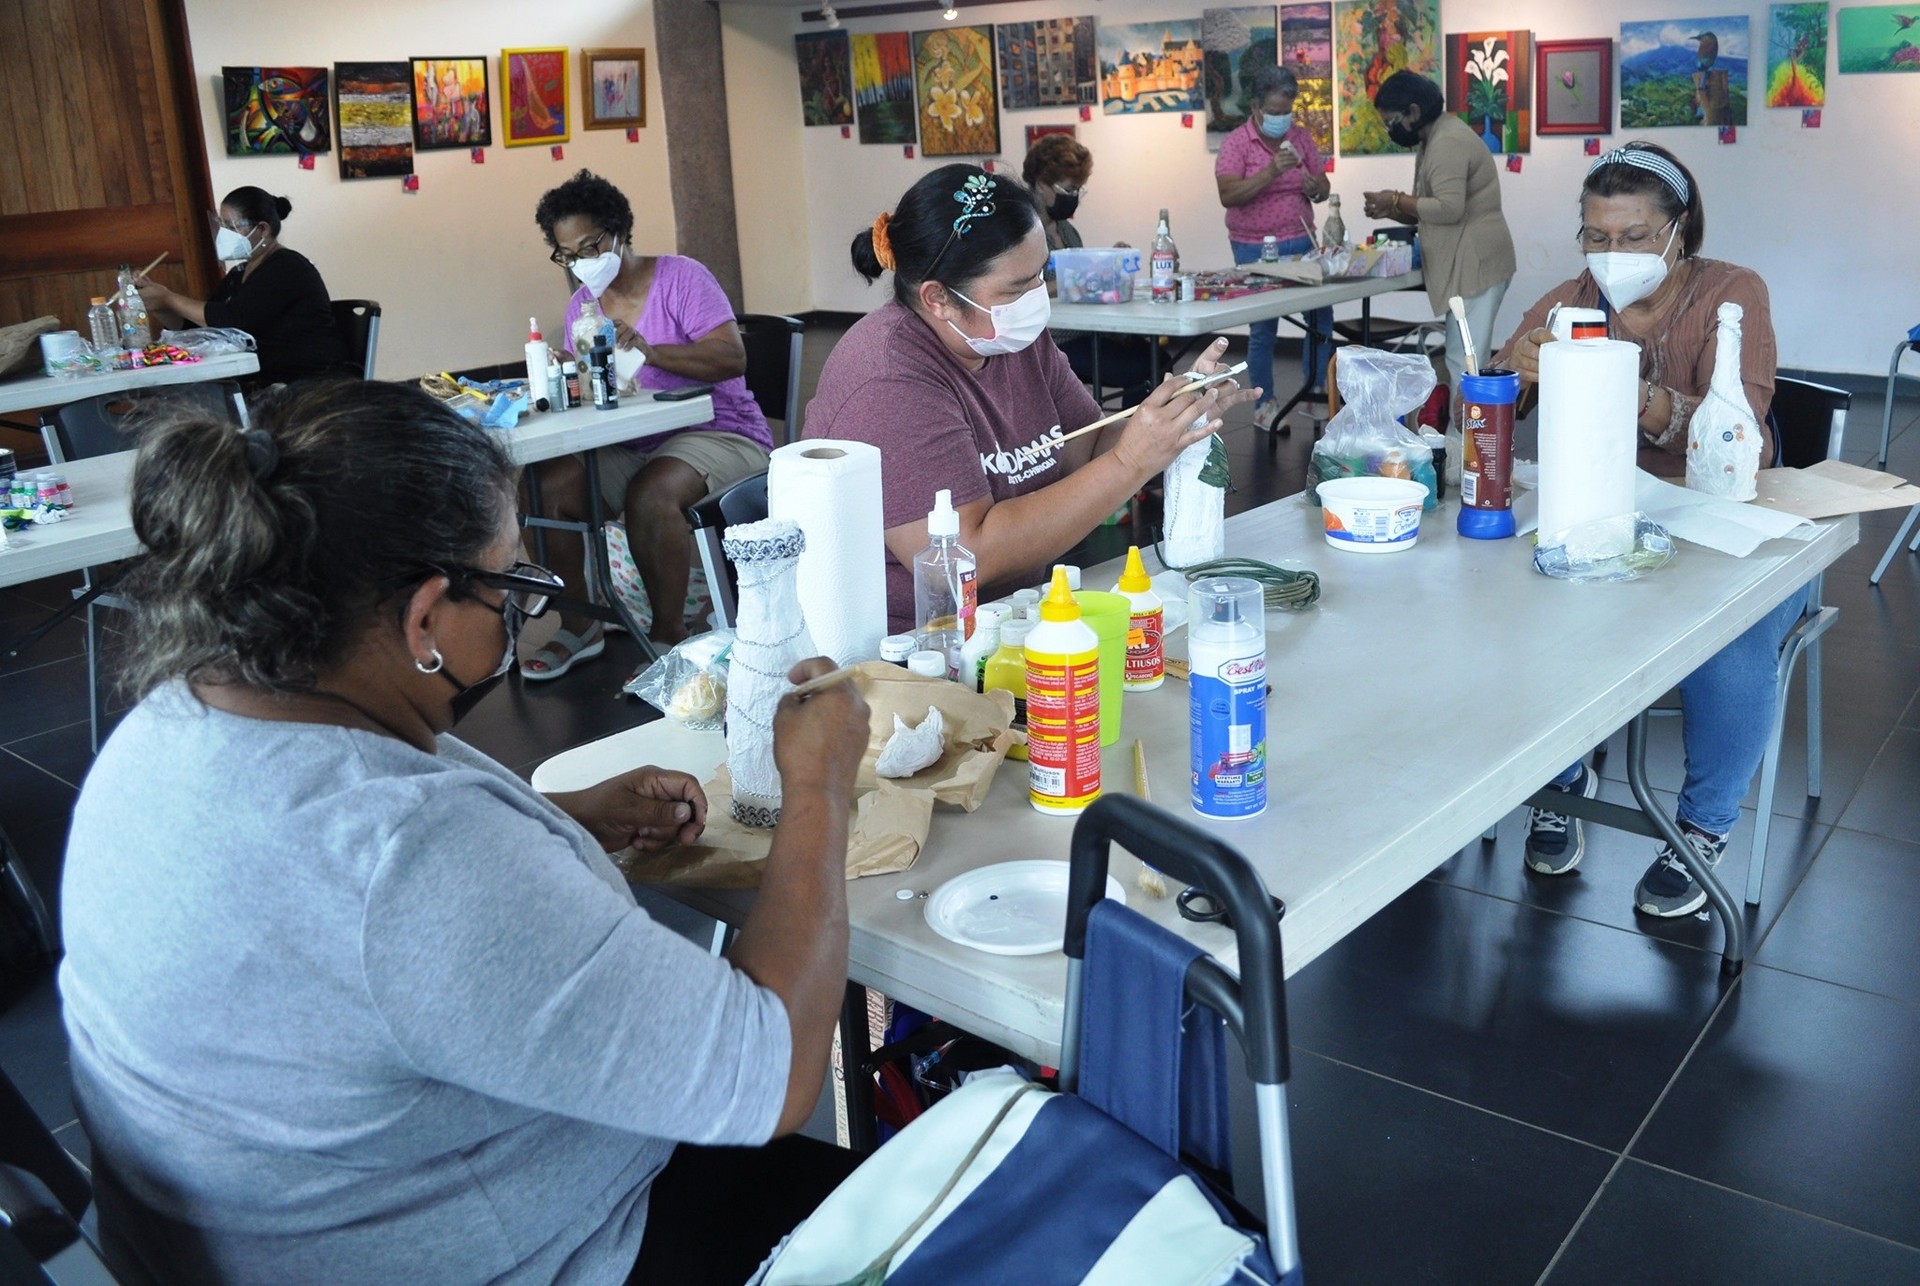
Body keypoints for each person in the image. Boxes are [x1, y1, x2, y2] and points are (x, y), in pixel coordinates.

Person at [58, 380, 870, 1284]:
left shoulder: (169, 726)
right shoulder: (413, 865)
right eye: (512, 583)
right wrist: (818, 786)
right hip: (559, 1250)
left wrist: (555, 823)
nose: (522, 611)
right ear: (425, 618)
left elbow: (340, 933)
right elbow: (780, 1073)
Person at [1492, 141, 1790, 919]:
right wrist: (1515, 370)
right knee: (1512, 602)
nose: (1612, 255)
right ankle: (1561, 782)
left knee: (1732, 635)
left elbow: (1740, 434)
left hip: (1723, 514)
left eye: (1632, 237)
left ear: (1678, 232)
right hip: (1602, 510)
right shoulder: (1574, 297)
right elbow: (1485, 397)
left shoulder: (1732, 295)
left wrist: (1628, 387)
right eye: (1597, 236)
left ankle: (1701, 826)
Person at [804, 164, 1257, 634]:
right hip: (914, 648)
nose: (1037, 298)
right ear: (938, 298)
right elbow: (966, 557)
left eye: (1040, 275)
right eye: (1018, 288)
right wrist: (1131, 463)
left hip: (1012, 617)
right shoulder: (888, 381)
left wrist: (1176, 411)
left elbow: (1087, 449)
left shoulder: (1010, 339)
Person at [522, 170, 773, 674]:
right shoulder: (583, 309)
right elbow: (598, 395)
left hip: (721, 431)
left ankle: (667, 635)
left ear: (618, 232)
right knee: (544, 484)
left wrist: (653, 350)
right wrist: (564, 374)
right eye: (567, 255)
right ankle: (579, 624)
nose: (581, 265)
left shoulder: (681, 279)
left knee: (651, 492)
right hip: (639, 441)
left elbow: (731, 358)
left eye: (590, 247)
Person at [1361, 70, 1517, 398]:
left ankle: (1466, 443)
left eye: (1392, 122)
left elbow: (1448, 209)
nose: (1391, 130)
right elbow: (1427, 206)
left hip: (1475, 261)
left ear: (1414, 112)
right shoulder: (1434, 137)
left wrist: (1396, 199)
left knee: (1465, 360)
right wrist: (1390, 207)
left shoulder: (1448, 142)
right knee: (1465, 357)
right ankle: (1467, 438)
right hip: (1469, 260)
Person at [1214, 64, 1333, 431]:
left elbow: (1324, 186)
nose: (1283, 119)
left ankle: (1315, 394)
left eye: (1288, 111)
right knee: (1264, 328)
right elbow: (1228, 194)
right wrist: (1270, 172)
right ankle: (1264, 404)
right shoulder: (1236, 143)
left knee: (1320, 319)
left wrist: (1316, 186)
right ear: (1255, 106)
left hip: (1301, 241)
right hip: (1254, 249)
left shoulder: (1301, 138)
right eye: (1276, 112)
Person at [136, 186, 351, 386]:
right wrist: (159, 305)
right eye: (221, 226)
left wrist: (169, 298)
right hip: (263, 381)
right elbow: (203, 329)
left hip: (304, 382)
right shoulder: (238, 274)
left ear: (263, 229)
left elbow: (232, 320)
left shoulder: (287, 267)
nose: (223, 235)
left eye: (231, 226)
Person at [1021, 132, 1153, 403]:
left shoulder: (1067, 231)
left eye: (1078, 189)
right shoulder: (1022, 235)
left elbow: (1082, 282)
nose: (1073, 197)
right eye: (1067, 189)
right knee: (1143, 367)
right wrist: (1075, 279)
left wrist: (1109, 263)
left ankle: (1144, 433)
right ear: (1040, 184)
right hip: (1051, 340)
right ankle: (1137, 436)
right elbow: (1020, 290)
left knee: (1154, 357)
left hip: (1083, 330)